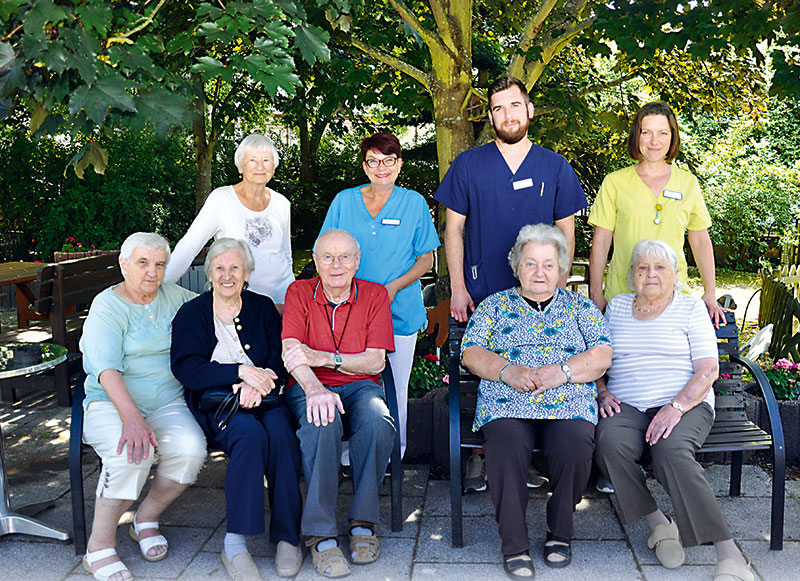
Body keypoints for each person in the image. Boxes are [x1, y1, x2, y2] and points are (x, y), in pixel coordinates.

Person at [434, 75, 587, 492]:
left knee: (540, 366)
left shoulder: (554, 166)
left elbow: (566, 233)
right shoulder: (470, 165)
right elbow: (453, 230)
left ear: (529, 110)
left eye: (515, 105)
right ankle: (482, 457)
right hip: (486, 294)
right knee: (495, 372)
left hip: (541, 294)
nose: (507, 115)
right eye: (498, 108)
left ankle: (532, 455)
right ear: (490, 116)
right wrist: (459, 288)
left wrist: (560, 289)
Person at [460, 224, 612, 579]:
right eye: (530, 264)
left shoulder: (581, 307)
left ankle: (560, 532)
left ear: (561, 268)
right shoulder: (495, 306)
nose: (539, 272)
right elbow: (471, 352)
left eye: (548, 264)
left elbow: (603, 354)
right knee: (506, 446)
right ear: (516, 267)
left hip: (567, 400)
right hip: (508, 400)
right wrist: (507, 370)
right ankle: (514, 544)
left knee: (576, 445)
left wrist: (562, 372)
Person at [596, 239, 752, 581]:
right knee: (608, 442)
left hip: (686, 402)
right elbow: (598, 360)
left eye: (660, 267)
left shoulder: (690, 309)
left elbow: (708, 370)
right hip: (628, 403)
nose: (651, 274)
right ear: (632, 275)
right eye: (643, 267)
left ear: (675, 274)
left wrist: (675, 407)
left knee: (670, 452)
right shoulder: (618, 307)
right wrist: (603, 392)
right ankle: (659, 525)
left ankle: (730, 553)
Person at [170, 238, 303, 580]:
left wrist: (259, 382)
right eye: (220, 267)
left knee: (282, 434)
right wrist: (239, 374)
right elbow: (187, 367)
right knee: (248, 434)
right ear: (209, 273)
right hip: (218, 403)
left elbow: (278, 357)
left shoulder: (261, 308)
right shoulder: (192, 313)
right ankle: (235, 543)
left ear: (246, 274)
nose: (227, 275)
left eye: (235, 268)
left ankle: (288, 536)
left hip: (266, 395)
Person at [79, 232, 207, 581]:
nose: (152, 272)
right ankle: (99, 546)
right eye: (143, 263)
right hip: (112, 402)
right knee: (130, 456)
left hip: (166, 399)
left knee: (190, 451)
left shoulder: (175, 297)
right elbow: (105, 369)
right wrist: (132, 420)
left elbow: (217, 308)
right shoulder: (107, 305)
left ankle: (146, 517)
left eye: (160, 264)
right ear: (123, 264)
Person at [281, 229, 396, 578]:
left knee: (378, 421)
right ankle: (320, 535)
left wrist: (324, 357)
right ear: (314, 261)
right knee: (322, 420)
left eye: (345, 256)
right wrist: (315, 387)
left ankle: (363, 523)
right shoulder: (299, 292)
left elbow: (375, 362)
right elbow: (291, 352)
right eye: (327, 257)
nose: (336, 265)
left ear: (357, 261)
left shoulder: (374, 295)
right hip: (308, 385)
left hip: (361, 387)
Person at [319, 132, 440, 458]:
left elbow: (426, 259)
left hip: (399, 310)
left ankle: (392, 450)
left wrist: (393, 287)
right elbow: (324, 250)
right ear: (364, 165)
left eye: (388, 160)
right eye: (373, 161)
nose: (381, 167)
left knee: (396, 385)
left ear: (399, 164)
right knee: (355, 383)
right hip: (349, 311)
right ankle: (353, 447)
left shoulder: (413, 202)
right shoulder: (344, 202)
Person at [588, 101, 724, 326]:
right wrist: (596, 292)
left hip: (673, 298)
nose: (654, 141)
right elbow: (601, 242)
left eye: (662, 133)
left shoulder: (687, 183)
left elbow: (700, 240)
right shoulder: (614, 183)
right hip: (622, 297)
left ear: (672, 137)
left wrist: (710, 292)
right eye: (646, 132)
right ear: (636, 136)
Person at [165, 133, 294, 309]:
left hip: (282, 301)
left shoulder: (282, 204)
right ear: (240, 167)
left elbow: (286, 255)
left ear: (273, 168)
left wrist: (292, 299)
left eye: (266, 160)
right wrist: (158, 286)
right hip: (239, 303)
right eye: (252, 160)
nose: (260, 166)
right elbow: (188, 248)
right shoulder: (221, 199)